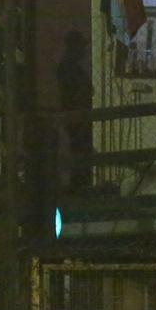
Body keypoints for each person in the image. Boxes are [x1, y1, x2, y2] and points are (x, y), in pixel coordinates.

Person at [56, 31, 94, 192]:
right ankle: (80, 185)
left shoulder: (68, 66)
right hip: (76, 113)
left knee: (79, 148)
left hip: (75, 113)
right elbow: (80, 91)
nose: (84, 51)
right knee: (80, 149)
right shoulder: (69, 67)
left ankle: (79, 184)